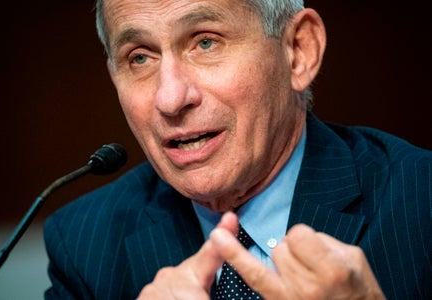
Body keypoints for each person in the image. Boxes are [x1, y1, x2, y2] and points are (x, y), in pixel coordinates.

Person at [43, 0, 432, 299]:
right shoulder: (84, 245)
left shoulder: (421, 201)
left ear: (298, 50)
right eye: (140, 57)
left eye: (205, 42)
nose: (171, 98)